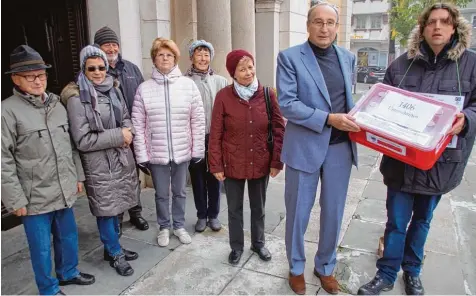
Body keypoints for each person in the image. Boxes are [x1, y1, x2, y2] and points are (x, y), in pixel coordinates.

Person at [358, 3, 476, 295]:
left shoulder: (471, 65)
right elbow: (379, 103)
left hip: (440, 163)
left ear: (454, 28)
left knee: (422, 220)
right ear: (422, 28)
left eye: (444, 22)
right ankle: (385, 274)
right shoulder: (402, 64)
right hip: (401, 161)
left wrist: (467, 119)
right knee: (396, 222)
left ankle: (412, 272)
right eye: (431, 22)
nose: (437, 27)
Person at [276, 2, 359, 295]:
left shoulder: (348, 58)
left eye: (330, 23)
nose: (324, 28)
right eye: (318, 22)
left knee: (334, 212)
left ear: (337, 27)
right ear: (308, 25)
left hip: (340, 150)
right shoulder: (289, 57)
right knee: (298, 213)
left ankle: (325, 266)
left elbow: (351, 99)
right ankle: (296, 267)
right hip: (304, 148)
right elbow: (287, 103)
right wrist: (328, 119)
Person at [1, 45, 95, 295]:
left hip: (63, 188)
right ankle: (49, 289)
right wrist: (14, 199)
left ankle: (68, 273)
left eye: (40, 75)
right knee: (41, 247)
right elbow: (3, 160)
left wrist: (77, 176)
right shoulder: (7, 111)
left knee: (68, 237)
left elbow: (72, 147)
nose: (37, 81)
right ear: (16, 79)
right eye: (30, 76)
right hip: (34, 195)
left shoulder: (56, 105)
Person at [61, 45, 139, 277]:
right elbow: (83, 139)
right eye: (91, 68)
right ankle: (115, 253)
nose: (97, 72)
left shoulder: (113, 89)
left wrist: (129, 131)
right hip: (99, 164)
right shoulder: (77, 98)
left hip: (121, 158)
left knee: (120, 206)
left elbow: (126, 118)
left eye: (101, 67)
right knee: (106, 210)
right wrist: (119, 136)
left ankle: (113, 246)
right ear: (84, 69)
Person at [208, 49, 285, 265]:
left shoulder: (268, 94)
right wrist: (216, 164)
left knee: (258, 207)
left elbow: (279, 129)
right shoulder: (223, 96)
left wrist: (277, 160)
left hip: (260, 161)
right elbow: (216, 133)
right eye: (242, 69)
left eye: (250, 67)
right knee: (234, 209)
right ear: (233, 73)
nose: (248, 72)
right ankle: (236, 246)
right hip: (232, 163)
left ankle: (258, 243)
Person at [132, 38, 205, 247]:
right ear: (154, 59)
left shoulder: (188, 86)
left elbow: (197, 120)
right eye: (160, 55)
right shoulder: (144, 89)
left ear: (175, 59)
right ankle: (164, 226)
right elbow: (138, 124)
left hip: (182, 150)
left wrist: (197, 149)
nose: (165, 58)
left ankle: (179, 225)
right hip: (157, 153)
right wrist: (142, 156)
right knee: (162, 193)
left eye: (169, 55)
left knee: (180, 192)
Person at [94, 26, 149, 234]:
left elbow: (143, 99)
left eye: (114, 43)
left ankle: (135, 212)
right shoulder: (93, 72)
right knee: (113, 179)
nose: (111, 48)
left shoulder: (132, 69)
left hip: (132, 133)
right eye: (106, 44)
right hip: (108, 136)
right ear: (97, 47)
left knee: (132, 176)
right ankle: (116, 217)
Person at [185, 40, 228, 232]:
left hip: (216, 137)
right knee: (197, 178)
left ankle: (214, 215)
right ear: (191, 57)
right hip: (194, 138)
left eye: (206, 54)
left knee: (215, 177)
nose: (203, 58)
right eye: (198, 54)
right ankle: (201, 215)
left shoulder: (221, 81)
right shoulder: (184, 82)